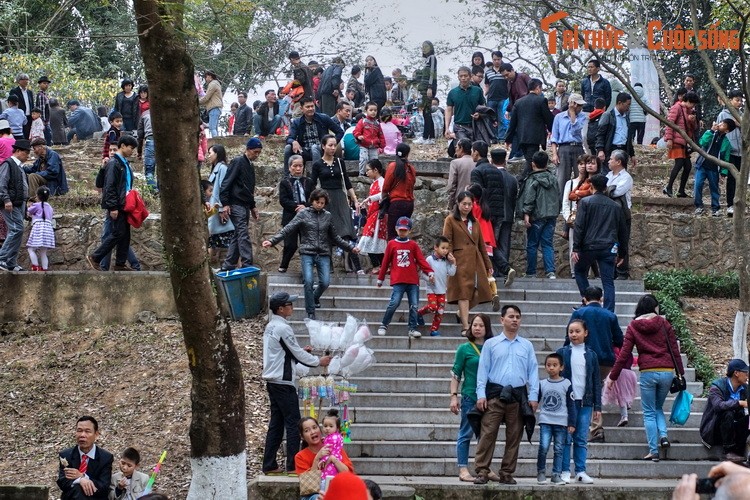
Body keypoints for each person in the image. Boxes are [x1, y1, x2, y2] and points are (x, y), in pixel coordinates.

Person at [607, 294, 684, 462]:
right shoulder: (664, 324)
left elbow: (624, 354)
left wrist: (613, 377)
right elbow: (674, 350)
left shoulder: (634, 326)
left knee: (649, 411)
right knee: (658, 407)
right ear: (654, 307)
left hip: (648, 372)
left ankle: (653, 451)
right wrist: (681, 373)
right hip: (666, 371)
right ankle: (663, 436)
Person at [262, 292, 332, 476]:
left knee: (277, 424)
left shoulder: (271, 326)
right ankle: (293, 466)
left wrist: (301, 351)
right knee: (293, 424)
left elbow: (288, 352)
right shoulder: (283, 328)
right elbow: (297, 354)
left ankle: (269, 465)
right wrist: (319, 361)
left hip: (273, 381)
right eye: (289, 304)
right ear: (280, 309)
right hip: (283, 382)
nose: (292, 307)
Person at [263, 189, 358, 319]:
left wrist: (350, 248)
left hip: (324, 252)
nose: (320, 205)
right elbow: (288, 228)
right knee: (308, 280)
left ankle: (314, 297)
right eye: (317, 202)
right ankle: (310, 311)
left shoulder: (327, 216)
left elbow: (335, 237)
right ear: (312, 201)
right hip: (307, 252)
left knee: (325, 282)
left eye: (322, 203)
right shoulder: (303, 214)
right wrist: (272, 241)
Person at [473, 305, 538, 484]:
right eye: (511, 316)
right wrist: (481, 394)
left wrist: (533, 396)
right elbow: (483, 370)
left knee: (514, 434)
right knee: (488, 433)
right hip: (494, 394)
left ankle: (507, 472)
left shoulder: (526, 345)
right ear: (502, 320)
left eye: (518, 316)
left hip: (517, 395)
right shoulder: (491, 344)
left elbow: (533, 371)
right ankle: (482, 471)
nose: (515, 320)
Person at [565, 286, 623, 442]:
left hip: (583, 358)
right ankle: (594, 427)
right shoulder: (610, 315)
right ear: (601, 298)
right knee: (594, 390)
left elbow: (569, 335)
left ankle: (595, 428)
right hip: (606, 360)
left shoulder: (579, 313)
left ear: (584, 299)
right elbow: (619, 340)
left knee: (587, 392)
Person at [572, 174, 628, 312]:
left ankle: (588, 301)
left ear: (591, 187)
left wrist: (576, 247)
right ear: (605, 188)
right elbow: (622, 231)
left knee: (579, 270)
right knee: (608, 280)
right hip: (609, 247)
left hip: (588, 245)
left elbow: (579, 226)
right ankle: (609, 310)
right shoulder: (615, 206)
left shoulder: (585, 202)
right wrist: (622, 253)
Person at [557, 319, 601, 484]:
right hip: (568, 403)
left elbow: (596, 381)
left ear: (585, 333)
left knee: (581, 438)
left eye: (577, 331)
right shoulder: (562, 352)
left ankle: (581, 471)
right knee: (566, 438)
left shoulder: (591, 355)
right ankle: (565, 471)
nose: (574, 334)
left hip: (586, 402)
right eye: (571, 332)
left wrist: (598, 406)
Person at [443, 191, 494, 336]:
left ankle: (461, 313)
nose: (466, 207)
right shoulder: (451, 220)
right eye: (464, 204)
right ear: (458, 204)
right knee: (464, 294)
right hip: (459, 261)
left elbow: (481, 245)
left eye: (469, 204)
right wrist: (450, 255)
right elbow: (447, 239)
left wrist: (488, 264)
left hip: (475, 261)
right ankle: (465, 326)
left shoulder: (475, 222)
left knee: (481, 292)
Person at [450, 313, 493, 482]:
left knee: (486, 435)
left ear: (487, 328)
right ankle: (463, 468)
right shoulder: (464, 348)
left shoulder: (492, 347)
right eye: (474, 325)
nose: (477, 328)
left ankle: (484, 468)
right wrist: (453, 396)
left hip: (490, 398)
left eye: (481, 325)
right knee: (466, 433)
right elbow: (455, 374)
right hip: (470, 396)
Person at [86, 136, 138, 272]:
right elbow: (109, 186)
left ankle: (120, 263)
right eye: (131, 148)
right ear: (123, 146)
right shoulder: (114, 164)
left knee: (125, 234)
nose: (132, 151)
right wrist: (113, 207)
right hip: (118, 204)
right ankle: (96, 257)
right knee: (118, 233)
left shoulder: (123, 164)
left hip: (124, 204)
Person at [376, 216, 434, 338]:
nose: (402, 232)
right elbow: (385, 262)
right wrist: (380, 278)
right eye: (400, 229)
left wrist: (429, 271)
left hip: (413, 281)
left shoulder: (413, 245)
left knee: (414, 305)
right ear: (396, 229)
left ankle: (412, 328)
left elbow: (421, 260)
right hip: (398, 280)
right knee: (394, 302)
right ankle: (384, 324)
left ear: (409, 230)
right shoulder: (391, 244)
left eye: (405, 230)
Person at [310, 134, 361, 272]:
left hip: (340, 197)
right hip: (326, 199)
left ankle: (349, 263)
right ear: (323, 146)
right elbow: (312, 185)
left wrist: (355, 200)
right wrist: (314, 203)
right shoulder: (317, 164)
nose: (333, 148)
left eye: (334, 145)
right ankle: (328, 264)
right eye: (330, 145)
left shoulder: (339, 161)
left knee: (346, 230)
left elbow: (347, 182)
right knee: (327, 230)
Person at [219, 137, 261, 270]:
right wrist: (225, 203)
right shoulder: (238, 161)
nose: (257, 155)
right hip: (235, 204)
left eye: (259, 152)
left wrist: (253, 206)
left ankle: (228, 265)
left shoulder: (250, 165)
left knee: (238, 235)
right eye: (255, 152)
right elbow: (226, 183)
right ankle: (247, 264)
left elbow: (249, 189)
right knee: (243, 233)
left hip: (245, 205)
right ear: (248, 150)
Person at [700, 359, 749, 461]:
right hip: (714, 430)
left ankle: (738, 451)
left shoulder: (745, 388)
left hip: (734, 429)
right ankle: (728, 451)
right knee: (727, 412)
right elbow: (718, 406)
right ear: (736, 373)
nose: (747, 375)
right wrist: (739, 402)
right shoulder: (717, 387)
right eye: (745, 372)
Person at [536, 353, 574, 485]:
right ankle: (541, 472)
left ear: (561, 367)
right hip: (545, 421)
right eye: (548, 365)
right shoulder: (542, 384)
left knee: (559, 449)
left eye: (555, 365)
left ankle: (556, 474)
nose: (551, 368)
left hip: (561, 422)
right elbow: (536, 401)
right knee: (543, 447)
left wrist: (571, 422)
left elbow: (571, 404)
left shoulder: (567, 384)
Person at [521, 151, 559, 279]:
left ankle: (531, 272)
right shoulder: (553, 178)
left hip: (537, 216)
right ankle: (550, 271)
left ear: (533, 164)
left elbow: (529, 198)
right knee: (547, 244)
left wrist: (526, 214)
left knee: (532, 244)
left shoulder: (532, 179)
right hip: (551, 215)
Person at [505, 79, 554, 179]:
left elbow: (512, 123)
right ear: (537, 88)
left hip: (522, 136)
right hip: (535, 136)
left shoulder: (518, 102)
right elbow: (548, 118)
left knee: (529, 160)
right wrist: (553, 131)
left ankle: (524, 180)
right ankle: (520, 180)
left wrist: (508, 139)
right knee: (531, 162)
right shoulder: (541, 100)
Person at [296, 417, 354, 500]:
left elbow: (348, 474)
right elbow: (310, 485)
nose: (312, 432)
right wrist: (317, 458)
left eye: (315, 427)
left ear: (320, 429)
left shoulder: (334, 446)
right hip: (313, 495)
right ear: (302, 436)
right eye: (307, 430)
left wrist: (333, 459)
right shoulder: (300, 456)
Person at [57, 415, 114, 500]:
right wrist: (80, 480)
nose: (82, 435)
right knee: (77, 488)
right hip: (72, 497)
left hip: (95, 498)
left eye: (87, 431)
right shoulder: (66, 455)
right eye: (79, 431)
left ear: (96, 434)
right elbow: (63, 482)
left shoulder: (105, 458)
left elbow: (103, 487)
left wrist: (83, 476)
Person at [284, 97, 344, 172]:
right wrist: (293, 142)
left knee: (314, 148)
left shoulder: (323, 118)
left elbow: (340, 132)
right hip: (304, 150)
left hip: (321, 149)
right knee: (288, 148)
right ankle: (287, 176)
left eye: (312, 106)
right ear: (301, 108)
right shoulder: (297, 122)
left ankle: (317, 175)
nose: (311, 109)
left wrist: (331, 144)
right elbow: (289, 138)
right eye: (307, 107)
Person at [550, 92, 588, 204]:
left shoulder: (582, 116)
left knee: (581, 176)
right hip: (563, 148)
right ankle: (561, 204)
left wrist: (572, 114)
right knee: (561, 178)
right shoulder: (559, 117)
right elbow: (554, 137)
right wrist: (554, 153)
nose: (580, 108)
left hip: (578, 147)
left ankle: (580, 203)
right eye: (578, 105)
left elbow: (576, 129)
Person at [562, 155, 596, 277]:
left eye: (585, 164)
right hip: (575, 218)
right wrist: (568, 218)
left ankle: (589, 273)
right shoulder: (572, 183)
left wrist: (578, 194)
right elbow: (566, 201)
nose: (583, 166)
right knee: (573, 246)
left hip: (591, 219)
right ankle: (574, 272)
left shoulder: (592, 182)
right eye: (581, 164)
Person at [277, 155, 311, 273]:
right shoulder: (285, 183)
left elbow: (313, 198)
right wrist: (297, 207)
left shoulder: (308, 181)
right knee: (290, 244)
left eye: (300, 166)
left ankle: (307, 268)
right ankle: (284, 265)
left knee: (306, 244)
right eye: (295, 166)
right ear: (290, 167)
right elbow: (283, 200)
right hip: (290, 217)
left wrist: (305, 206)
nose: (298, 169)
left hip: (307, 217)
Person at [417, 236, 457, 337]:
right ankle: (419, 313)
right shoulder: (429, 259)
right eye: (443, 248)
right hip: (432, 289)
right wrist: (428, 278)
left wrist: (454, 263)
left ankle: (434, 329)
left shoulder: (446, 261)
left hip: (442, 290)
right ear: (436, 247)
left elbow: (451, 273)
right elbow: (422, 273)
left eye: (447, 248)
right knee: (432, 307)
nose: (445, 251)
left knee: (440, 310)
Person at [0, 139, 30, 272]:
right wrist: (6, 200)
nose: (28, 156)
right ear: (18, 151)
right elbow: (2, 184)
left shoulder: (19, 167)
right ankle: (2, 257)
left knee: (18, 230)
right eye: (26, 152)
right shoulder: (8, 164)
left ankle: (11, 262)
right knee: (16, 229)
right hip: (10, 204)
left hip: (18, 203)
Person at [695, 118, 735, 217]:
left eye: (724, 125)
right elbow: (702, 143)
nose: (721, 124)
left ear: (727, 130)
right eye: (721, 122)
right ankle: (699, 206)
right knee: (698, 185)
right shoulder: (710, 133)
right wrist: (712, 131)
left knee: (714, 188)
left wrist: (723, 172)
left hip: (714, 169)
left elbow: (726, 159)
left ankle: (715, 208)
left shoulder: (726, 143)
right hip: (702, 165)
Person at [663, 91, 700, 198]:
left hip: (685, 142)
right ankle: (668, 187)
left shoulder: (689, 111)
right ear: (688, 101)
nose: (693, 106)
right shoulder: (676, 107)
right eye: (693, 104)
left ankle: (681, 191)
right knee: (679, 164)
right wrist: (669, 139)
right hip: (676, 141)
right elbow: (670, 124)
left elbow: (694, 128)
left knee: (688, 166)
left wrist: (692, 121)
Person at [606, 149, 634, 280]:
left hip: (622, 214)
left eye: (611, 159)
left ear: (618, 162)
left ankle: (622, 271)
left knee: (622, 241)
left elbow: (616, 192)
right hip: (609, 213)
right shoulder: (608, 175)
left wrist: (608, 190)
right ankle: (611, 271)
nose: (609, 161)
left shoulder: (626, 177)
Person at [205, 145, 234, 264]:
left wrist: (222, 208)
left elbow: (223, 188)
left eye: (210, 153)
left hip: (218, 209)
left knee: (228, 241)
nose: (208, 155)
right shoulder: (216, 168)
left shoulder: (221, 168)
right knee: (213, 241)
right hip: (214, 209)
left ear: (217, 154)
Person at [356, 159, 387, 273]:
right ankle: (379, 265)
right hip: (372, 214)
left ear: (376, 170)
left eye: (368, 170)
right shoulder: (373, 184)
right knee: (370, 239)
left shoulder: (382, 181)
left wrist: (369, 199)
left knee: (372, 239)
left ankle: (380, 265)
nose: (367, 173)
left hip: (378, 214)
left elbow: (384, 194)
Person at [382, 143, 417, 241]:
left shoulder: (393, 166)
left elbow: (386, 187)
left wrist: (383, 198)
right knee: (404, 232)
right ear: (407, 154)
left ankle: (393, 255)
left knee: (393, 234)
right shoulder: (411, 169)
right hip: (409, 204)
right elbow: (412, 184)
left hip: (396, 203)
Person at [595, 92, 635, 173]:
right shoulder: (608, 115)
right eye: (627, 104)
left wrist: (632, 154)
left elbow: (628, 137)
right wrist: (600, 150)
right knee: (608, 176)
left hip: (623, 150)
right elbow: (600, 134)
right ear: (620, 103)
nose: (629, 107)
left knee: (621, 176)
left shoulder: (626, 118)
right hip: (610, 149)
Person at [718, 90, 743, 216]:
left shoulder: (742, 115)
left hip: (741, 153)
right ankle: (730, 205)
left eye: (741, 100)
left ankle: (740, 204)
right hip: (730, 151)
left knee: (741, 180)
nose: (739, 103)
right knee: (732, 179)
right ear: (730, 100)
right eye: (737, 100)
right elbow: (719, 132)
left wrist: (741, 124)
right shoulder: (723, 115)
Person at [444, 67, 486, 143]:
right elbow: (449, 110)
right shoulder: (453, 93)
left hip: (475, 125)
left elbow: (483, 107)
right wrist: (447, 128)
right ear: (458, 77)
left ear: (470, 76)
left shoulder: (477, 90)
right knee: (464, 145)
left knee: (477, 148)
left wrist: (479, 114)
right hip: (459, 126)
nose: (463, 78)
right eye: (461, 76)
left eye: (465, 76)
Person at [25, 186, 55, 271]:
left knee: (31, 249)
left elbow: (29, 212)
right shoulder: (50, 207)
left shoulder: (36, 205)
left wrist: (29, 206)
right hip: (48, 229)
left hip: (39, 228)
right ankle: (45, 269)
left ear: (37, 196)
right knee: (43, 252)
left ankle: (35, 266)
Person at [415, 41, 438, 145]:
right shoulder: (426, 60)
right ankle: (431, 137)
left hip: (430, 87)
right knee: (426, 112)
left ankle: (425, 137)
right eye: (423, 47)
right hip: (424, 88)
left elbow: (432, 72)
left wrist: (430, 87)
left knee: (427, 112)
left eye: (426, 46)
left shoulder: (432, 58)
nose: (424, 48)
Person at [353, 101, 385, 176]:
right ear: (366, 111)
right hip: (364, 145)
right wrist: (358, 136)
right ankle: (361, 174)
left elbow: (381, 135)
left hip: (374, 146)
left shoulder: (377, 124)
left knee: (374, 161)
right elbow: (356, 131)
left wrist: (382, 146)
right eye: (371, 110)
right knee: (364, 159)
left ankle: (373, 175)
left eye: (375, 110)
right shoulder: (362, 121)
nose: (373, 112)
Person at [484, 51, 509, 142]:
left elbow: (508, 83)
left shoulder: (505, 71)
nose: (496, 61)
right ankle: (493, 137)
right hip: (491, 98)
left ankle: (501, 137)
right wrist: (485, 94)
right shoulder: (488, 72)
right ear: (492, 60)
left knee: (502, 118)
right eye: (494, 59)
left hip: (503, 98)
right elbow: (487, 85)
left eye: (498, 59)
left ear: (501, 59)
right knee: (490, 118)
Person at [446, 138, 475, 210]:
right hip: (475, 202)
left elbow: (451, 185)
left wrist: (450, 204)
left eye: (456, 147)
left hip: (460, 202)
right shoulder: (477, 163)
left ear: (461, 148)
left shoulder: (455, 163)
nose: (455, 150)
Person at [320, 409, 345, 479]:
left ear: (337, 428)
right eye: (325, 426)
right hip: (336, 459)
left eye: (331, 426)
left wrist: (323, 460)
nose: (327, 428)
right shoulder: (336, 436)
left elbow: (327, 451)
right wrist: (325, 440)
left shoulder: (331, 439)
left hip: (331, 461)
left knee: (327, 478)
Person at [9, 73, 33, 139]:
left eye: (27, 79)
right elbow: (12, 104)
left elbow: (32, 105)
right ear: (19, 81)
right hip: (19, 116)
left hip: (29, 116)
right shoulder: (14, 91)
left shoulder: (29, 92)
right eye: (24, 79)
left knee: (28, 134)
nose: (26, 81)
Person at [199, 70, 223, 137]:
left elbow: (206, 97)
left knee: (212, 128)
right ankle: (216, 142)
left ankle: (215, 143)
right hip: (216, 107)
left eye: (206, 77)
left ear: (210, 76)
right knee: (213, 127)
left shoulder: (213, 84)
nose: (206, 79)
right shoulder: (216, 83)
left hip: (214, 107)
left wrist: (197, 102)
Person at [35, 76, 52, 145]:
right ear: (40, 84)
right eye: (44, 83)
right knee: (47, 139)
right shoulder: (41, 95)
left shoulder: (44, 95)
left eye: (47, 84)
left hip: (45, 121)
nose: (46, 85)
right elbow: (41, 110)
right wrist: (43, 121)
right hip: (44, 122)